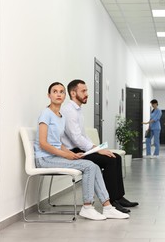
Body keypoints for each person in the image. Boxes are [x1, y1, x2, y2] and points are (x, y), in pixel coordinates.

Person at [34, 82, 129, 220]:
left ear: (65, 95)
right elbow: (43, 144)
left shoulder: (59, 116)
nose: (58, 94)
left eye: (61, 91)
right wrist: (66, 155)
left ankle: (108, 207)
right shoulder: (46, 114)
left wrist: (71, 154)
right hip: (45, 159)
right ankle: (87, 206)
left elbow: (57, 143)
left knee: (94, 166)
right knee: (90, 166)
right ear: (49, 95)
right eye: (55, 91)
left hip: (54, 156)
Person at [61, 79, 139, 214]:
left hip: (80, 148)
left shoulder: (78, 110)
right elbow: (76, 138)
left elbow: (83, 135)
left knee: (116, 158)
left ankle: (119, 197)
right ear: (73, 93)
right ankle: (112, 201)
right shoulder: (69, 111)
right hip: (73, 152)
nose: (87, 94)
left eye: (87, 91)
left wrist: (97, 148)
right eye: (83, 91)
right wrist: (96, 150)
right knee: (110, 160)